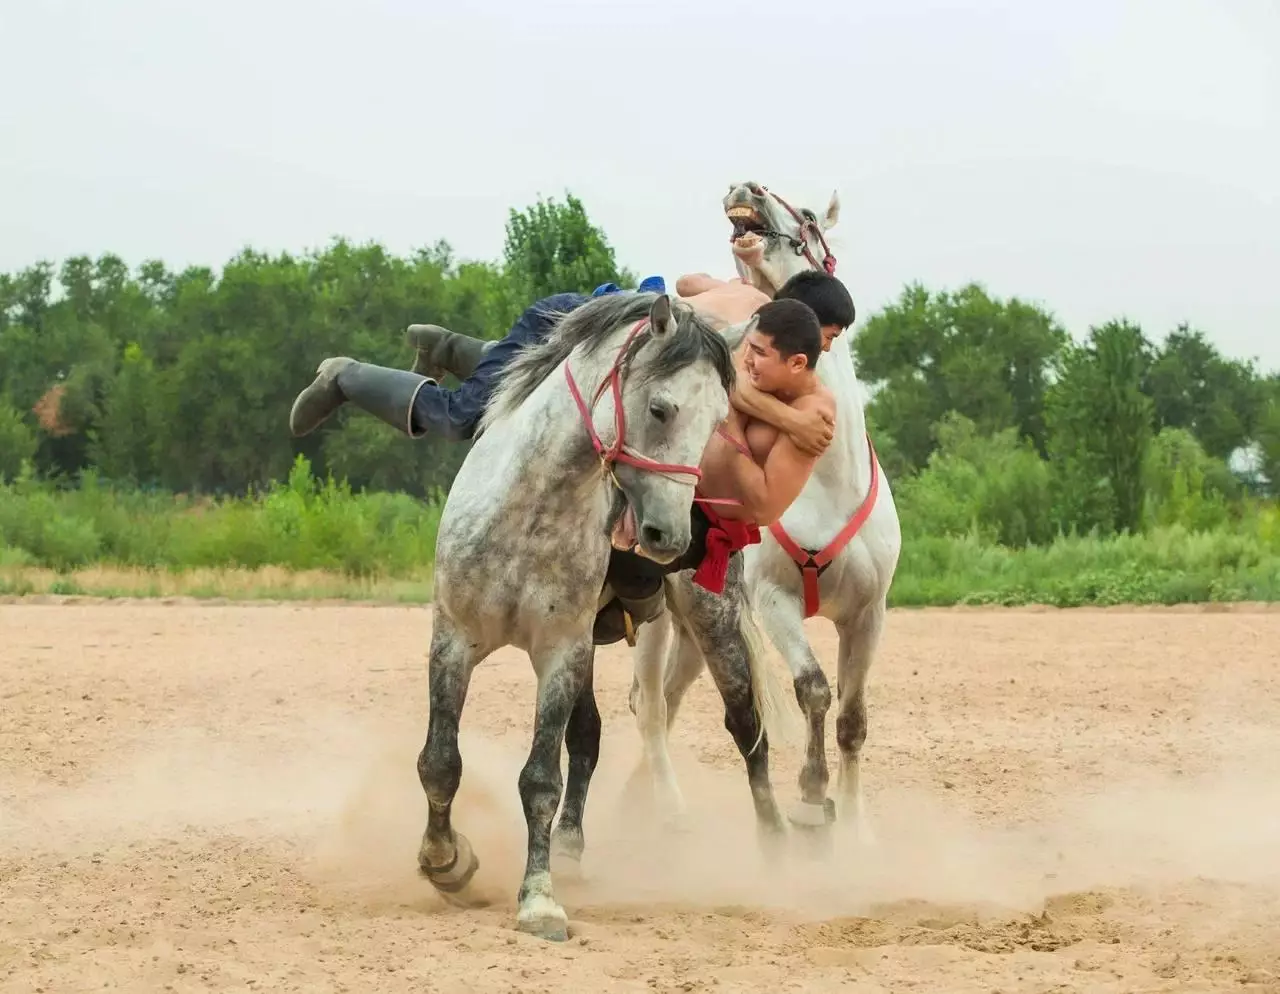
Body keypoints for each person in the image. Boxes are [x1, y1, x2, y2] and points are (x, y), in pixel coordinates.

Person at [288, 276, 667, 441]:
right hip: (563, 325)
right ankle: (345, 376)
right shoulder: (713, 303)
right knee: (462, 418)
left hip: (594, 326)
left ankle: (448, 348)